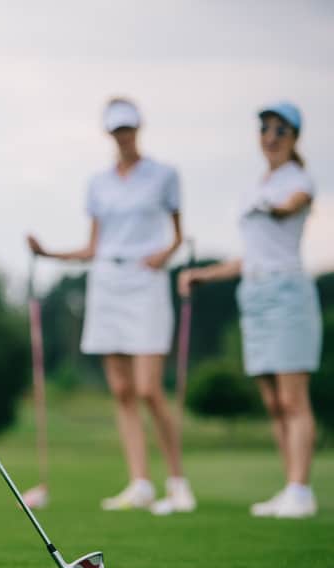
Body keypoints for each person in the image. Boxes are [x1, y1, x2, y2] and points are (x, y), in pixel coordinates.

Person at [27, 98, 196, 515]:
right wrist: (48, 253)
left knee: (148, 389)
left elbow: (177, 235)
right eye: (117, 131)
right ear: (109, 134)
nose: (123, 137)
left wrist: (165, 255)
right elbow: (93, 246)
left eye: (128, 129)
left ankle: (176, 482)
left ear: (138, 128)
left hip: (146, 280)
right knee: (121, 391)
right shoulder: (98, 183)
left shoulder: (163, 175)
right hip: (106, 283)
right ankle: (140, 482)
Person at [179, 102, 321, 519]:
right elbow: (250, 256)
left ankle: (300, 489)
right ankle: (290, 486)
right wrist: (203, 274)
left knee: (294, 400)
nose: (271, 136)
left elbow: (293, 203)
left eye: (280, 129)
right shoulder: (254, 187)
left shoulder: (299, 179)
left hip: (287, 291)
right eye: (265, 128)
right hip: (254, 294)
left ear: (294, 137)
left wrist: (275, 208)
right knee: (274, 402)